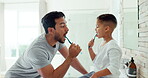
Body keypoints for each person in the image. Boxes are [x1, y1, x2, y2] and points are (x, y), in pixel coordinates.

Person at [5, 11, 88, 78]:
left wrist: (87, 75)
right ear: (51, 30)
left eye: (66, 25)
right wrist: (70, 57)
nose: (67, 29)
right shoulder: (37, 50)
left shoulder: (57, 40)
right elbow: (51, 77)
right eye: (62, 26)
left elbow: (70, 58)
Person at [80, 14, 122, 78]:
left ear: (106, 29)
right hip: (97, 73)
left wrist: (96, 75)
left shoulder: (113, 47)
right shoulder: (102, 44)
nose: (95, 29)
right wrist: (90, 48)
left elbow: (114, 68)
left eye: (97, 26)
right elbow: (96, 61)